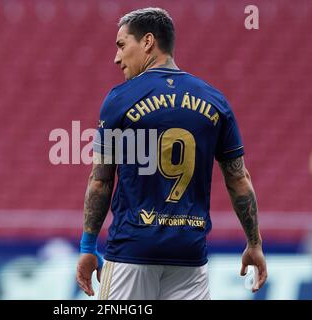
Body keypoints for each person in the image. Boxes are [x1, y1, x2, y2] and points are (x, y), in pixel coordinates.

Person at [76, 7, 267, 300]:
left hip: (132, 250)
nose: (117, 58)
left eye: (122, 45)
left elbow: (100, 181)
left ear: (148, 41)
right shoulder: (214, 101)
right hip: (189, 253)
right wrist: (254, 243)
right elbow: (238, 179)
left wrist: (88, 247)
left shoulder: (120, 99)